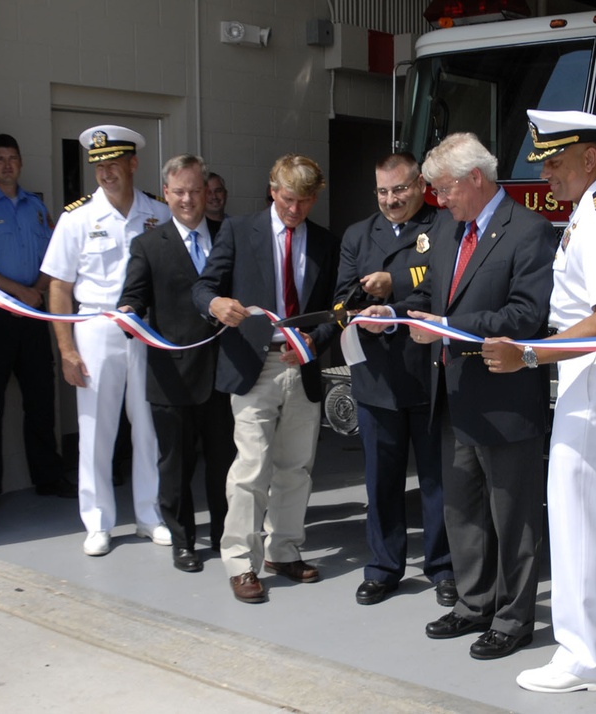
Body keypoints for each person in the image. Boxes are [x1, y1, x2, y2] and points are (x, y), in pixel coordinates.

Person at [482, 110, 596, 693]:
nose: (548, 176)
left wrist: (531, 356)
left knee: (579, 514)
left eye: (557, 162)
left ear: (590, 158)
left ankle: (583, 657)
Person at [360, 133, 555, 659]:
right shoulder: (450, 231)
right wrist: (396, 314)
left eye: (444, 189)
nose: (437, 200)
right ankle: (474, 604)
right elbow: (431, 295)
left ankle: (515, 618)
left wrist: (449, 327)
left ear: (476, 179)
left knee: (512, 517)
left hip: (504, 398)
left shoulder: (530, 232)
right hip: (451, 393)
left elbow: (525, 316)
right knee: (462, 510)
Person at [192, 154, 340, 604]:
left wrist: (315, 341)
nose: (296, 209)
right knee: (251, 468)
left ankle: (284, 549)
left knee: (295, 466)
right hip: (253, 364)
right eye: (289, 199)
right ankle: (240, 562)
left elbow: (336, 308)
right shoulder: (238, 231)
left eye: (306, 201)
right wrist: (215, 306)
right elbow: (203, 287)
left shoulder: (323, 242)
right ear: (273, 190)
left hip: (301, 363)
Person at [41, 124, 172, 557]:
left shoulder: (158, 213)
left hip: (145, 328)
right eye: (99, 166)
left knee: (148, 426)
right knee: (96, 429)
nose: (105, 173)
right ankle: (97, 522)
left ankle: (149, 515)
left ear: (133, 163)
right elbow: (58, 286)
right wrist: (67, 350)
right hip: (95, 327)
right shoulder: (76, 218)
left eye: (114, 164)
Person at [334, 153, 455, 607]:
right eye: (382, 192)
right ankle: (384, 567)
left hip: (427, 374)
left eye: (399, 190)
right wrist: (359, 302)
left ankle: (443, 567)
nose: (391, 200)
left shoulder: (442, 226)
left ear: (420, 184)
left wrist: (394, 284)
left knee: (436, 482)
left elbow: (443, 283)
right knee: (380, 482)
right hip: (377, 376)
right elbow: (343, 293)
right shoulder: (358, 234)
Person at [118, 154, 234, 573]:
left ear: (207, 192)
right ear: (166, 193)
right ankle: (183, 542)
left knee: (225, 463)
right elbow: (133, 297)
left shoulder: (228, 236)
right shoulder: (148, 245)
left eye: (195, 190)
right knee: (175, 467)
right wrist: (128, 312)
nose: (188, 199)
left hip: (223, 372)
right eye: (179, 192)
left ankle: (225, 536)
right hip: (172, 377)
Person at [0, 133, 73, 518]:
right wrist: (17, 292)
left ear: (20, 163)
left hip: (34, 314)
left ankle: (48, 476)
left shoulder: (36, 207)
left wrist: (37, 291)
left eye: (13, 158)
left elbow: (53, 257)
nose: (7, 164)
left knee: (41, 398)